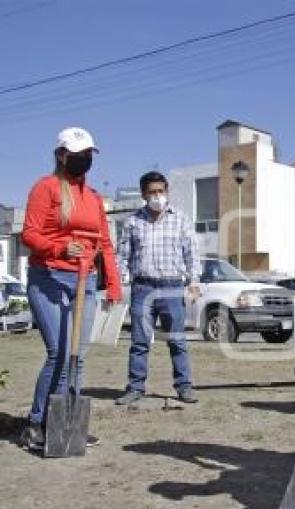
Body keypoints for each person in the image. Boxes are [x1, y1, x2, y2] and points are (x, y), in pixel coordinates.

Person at [18, 127, 122, 451]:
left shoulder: (92, 198)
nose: (84, 160)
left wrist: (115, 284)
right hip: (48, 276)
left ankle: (65, 423)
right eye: (78, 154)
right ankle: (37, 423)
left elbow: (104, 243)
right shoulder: (46, 188)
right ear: (62, 155)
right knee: (59, 353)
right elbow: (29, 234)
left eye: (89, 154)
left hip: (85, 280)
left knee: (77, 358)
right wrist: (59, 249)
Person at [115, 171, 201, 406]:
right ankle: (135, 387)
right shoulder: (133, 222)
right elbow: (122, 256)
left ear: (167, 191)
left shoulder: (180, 219)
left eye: (161, 191)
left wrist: (194, 282)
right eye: (152, 192)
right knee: (139, 342)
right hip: (142, 288)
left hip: (172, 287)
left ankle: (184, 387)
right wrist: (117, 284)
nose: (157, 196)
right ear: (143, 194)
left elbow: (192, 253)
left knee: (177, 341)